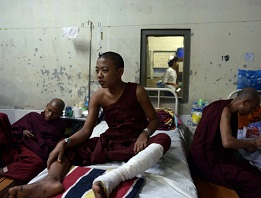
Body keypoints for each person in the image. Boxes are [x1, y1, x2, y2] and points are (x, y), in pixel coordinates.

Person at [9, 51, 171, 198]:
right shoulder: (98, 96)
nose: (99, 75)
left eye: (105, 70)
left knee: (164, 138)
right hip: (111, 143)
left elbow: (154, 119)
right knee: (66, 148)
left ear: (120, 72)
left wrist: (145, 133)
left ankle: (116, 176)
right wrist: (64, 142)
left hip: (135, 144)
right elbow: (86, 130)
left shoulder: (137, 91)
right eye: (97, 70)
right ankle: (51, 181)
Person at [188, 87, 261, 198]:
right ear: (245, 102)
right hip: (207, 162)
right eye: (253, 108)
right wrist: (253, 143)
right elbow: (227, 142)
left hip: (200, 157)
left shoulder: (220, 106)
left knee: (253, 171)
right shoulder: (226, 111)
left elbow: (218, 139)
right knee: (258, 184)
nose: (252, 112)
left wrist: (244, 146)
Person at [0, 98, 66, 182]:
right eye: (49, 110)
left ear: (60, 114)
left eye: (55, 113)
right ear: (46, 106)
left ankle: (3, 171)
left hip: (31, 153)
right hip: (16, 144)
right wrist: (23, 131)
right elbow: (13, 129)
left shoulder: (59, 127)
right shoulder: (33, 116)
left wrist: (37, 139)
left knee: (37, 164)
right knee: (2, 117)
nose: (49, 114)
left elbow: (50, 147)